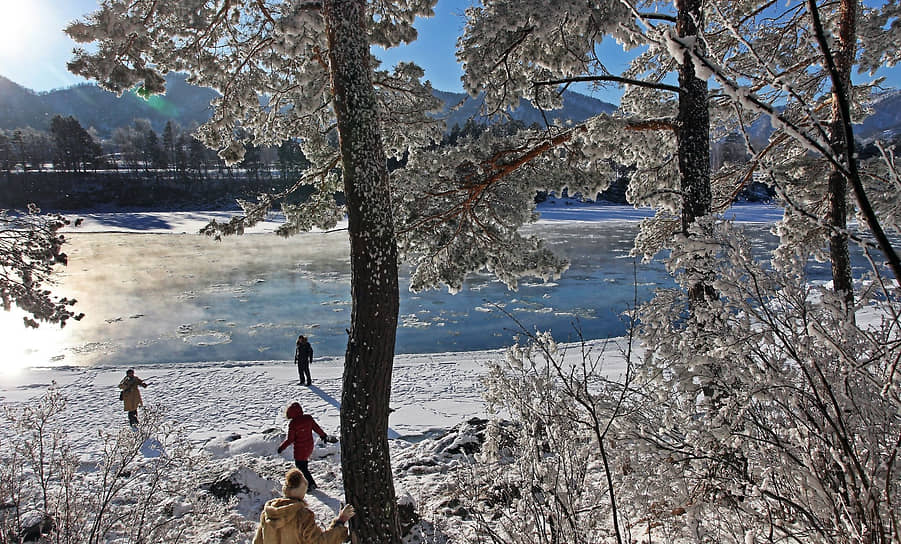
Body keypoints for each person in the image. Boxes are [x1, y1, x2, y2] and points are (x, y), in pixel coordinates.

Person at [252, 467, 354, 544]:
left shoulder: (267, 514)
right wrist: (340, 521)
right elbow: (320, 542)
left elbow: (257, 542)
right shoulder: (302, 516)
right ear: (303, 490)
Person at [277, 402, 329, 490]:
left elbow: (290, 439)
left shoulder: (293, 424)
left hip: (300, 449)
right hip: (309, 446)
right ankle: (307, 484)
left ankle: (310, 484)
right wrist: (323, 435)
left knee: (301, 467)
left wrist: (281, 447)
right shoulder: (308, 418)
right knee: (303, 465)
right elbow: (316, 428)